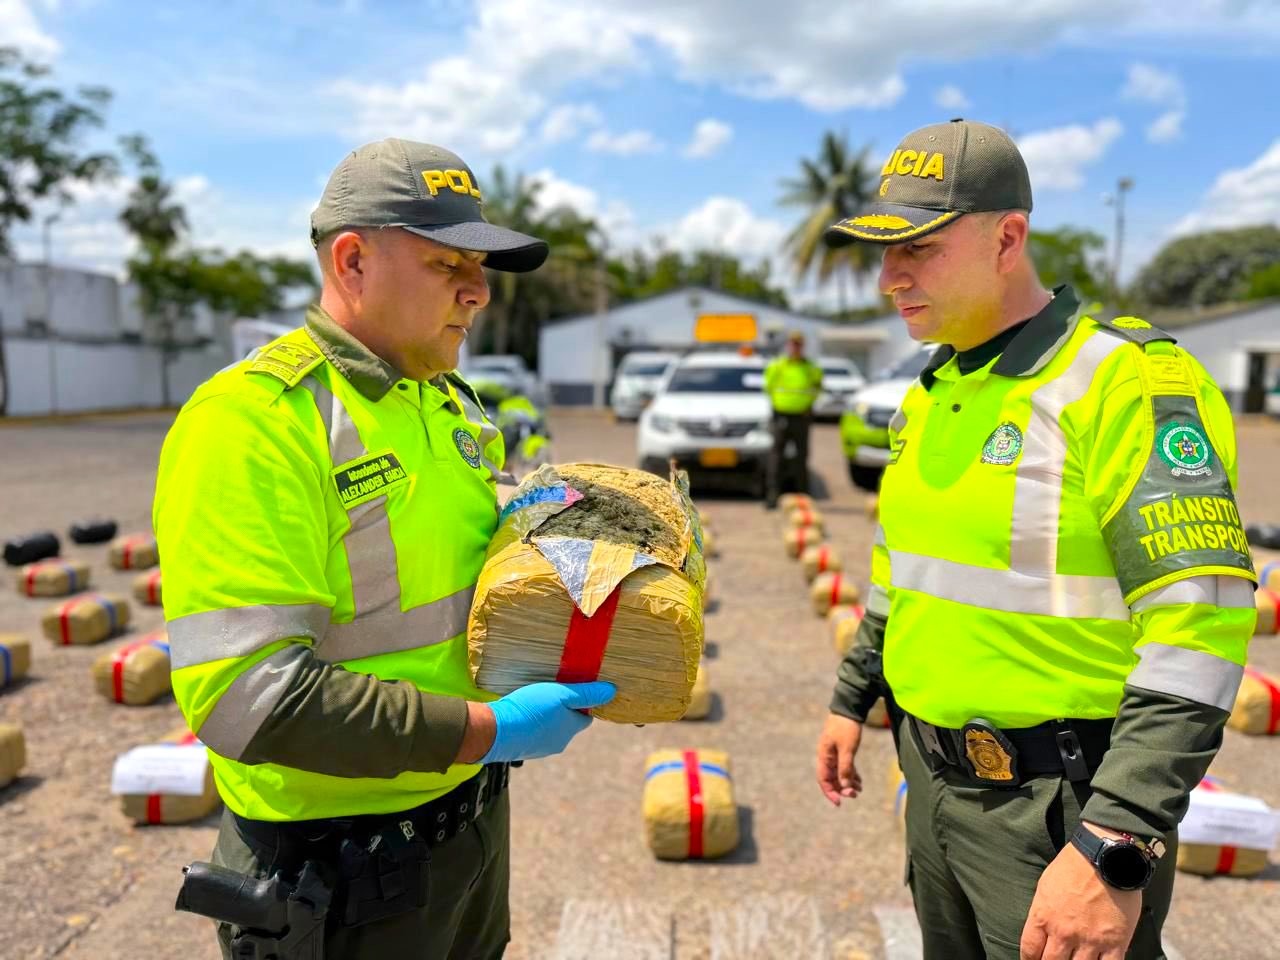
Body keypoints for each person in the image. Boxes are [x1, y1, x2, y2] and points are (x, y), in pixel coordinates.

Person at [153, 138, 615, 959]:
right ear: (353, 261)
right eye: (448, 264)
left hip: (468, 828)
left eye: (481, 267)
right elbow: (244, 698)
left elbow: (449, 560)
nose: (479, 292)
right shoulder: (258, 421)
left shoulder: (447, 399)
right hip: (339, 876)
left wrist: (545, 525)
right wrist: (489, 729)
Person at [812, 119, 1255, 960]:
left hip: (1064, 809)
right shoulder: (933, 393)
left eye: (918, 247)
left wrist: (1116, 840)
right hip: (933, 786)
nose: (889, 277)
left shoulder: (1122, 381)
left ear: (1008, 238)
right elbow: (901, 574)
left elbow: (1201, 625)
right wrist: (851, 697)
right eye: (884, 251)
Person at [762, 331, 823, 508]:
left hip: (802, 416)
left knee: (801, 456)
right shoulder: (777, 365)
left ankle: (803, 495)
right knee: (776, 457)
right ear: (788, 345)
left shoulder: (811, 367)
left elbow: (817, 388)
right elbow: (768, 386)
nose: (795, 347)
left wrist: (808, 405)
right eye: (793, 344)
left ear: (803, 346)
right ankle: (773, 496)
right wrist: (777, 405)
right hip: (781, 415)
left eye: (798, 344)